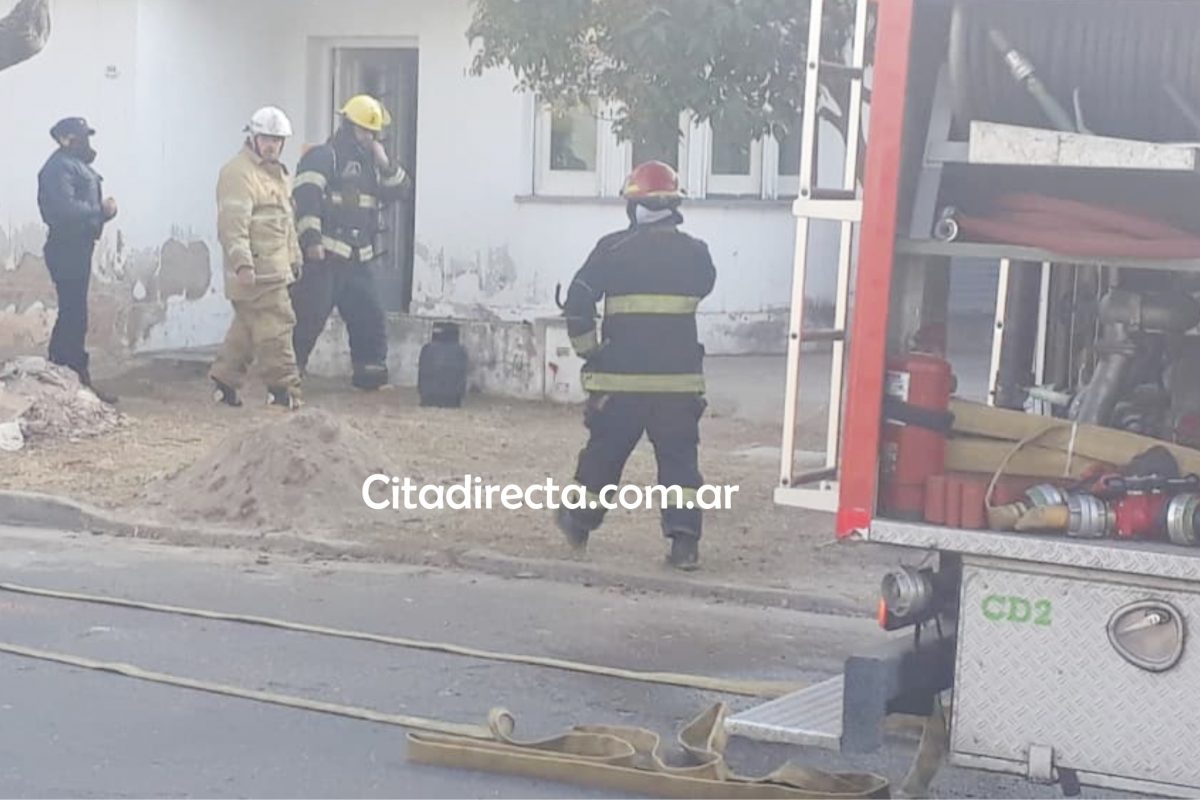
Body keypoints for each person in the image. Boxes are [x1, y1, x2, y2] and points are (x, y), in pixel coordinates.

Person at [556, 160, 717, 571]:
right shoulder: (697, 255)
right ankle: (684, 544)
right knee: (680, 465)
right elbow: (704, 286)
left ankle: (577, 523)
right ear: (674, 205)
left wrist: (589, 350)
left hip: (619, 383)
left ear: (634, 206)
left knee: (603, 457)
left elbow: (577, 300)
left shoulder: (612, 249)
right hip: (678, 387)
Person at [290, 94, 413, 391]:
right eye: (365, 131)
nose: (370, 137)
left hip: (358, 258)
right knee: (307, 317)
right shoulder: (323, 156)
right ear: (349, 127)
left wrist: (384, 161)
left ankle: (370, 376)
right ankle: (287, 376)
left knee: (369, 317)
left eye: (373, 132)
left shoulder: (372, 163)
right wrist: (311, 240)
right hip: (325, 258)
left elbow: (401, 190)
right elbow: (306, 199)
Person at [208, 106, 305, 410]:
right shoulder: (238, 174)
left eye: (277, 139)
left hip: (274, 269)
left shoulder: (275, 176)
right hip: (257, 273)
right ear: (253, 136)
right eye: (266, 138)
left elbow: (285, 223)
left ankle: (224, 382)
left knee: (247, 330)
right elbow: (232, 225)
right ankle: (284, 391)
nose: (272, 145)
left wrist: (294, 257)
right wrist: (243, 264)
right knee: (277, 328)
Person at [36, 116, 118, 404]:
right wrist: (101, 210)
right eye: (81, 137)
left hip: (77, 247)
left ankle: (69, 375)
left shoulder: (74, 166)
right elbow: (65, 209)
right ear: (66, 139)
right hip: (66, 247)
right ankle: (66, 373)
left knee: (74, 312)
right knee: (73, 314)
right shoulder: (58, 168)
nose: (87, 143)